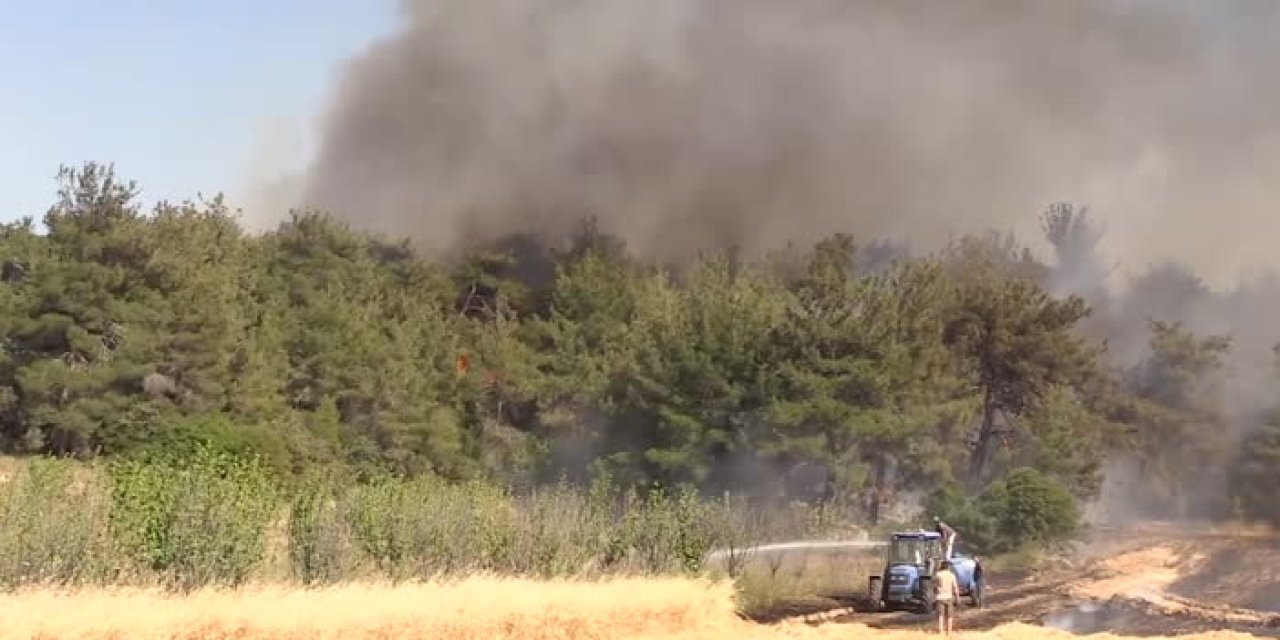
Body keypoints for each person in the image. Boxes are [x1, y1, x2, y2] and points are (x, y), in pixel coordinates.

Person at [934, 559, 961, 637]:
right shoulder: (952, 575)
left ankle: (941, 632)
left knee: (940, 616)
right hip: (949, 597)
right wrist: (958, 597)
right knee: (949, 616)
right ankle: (949, 632)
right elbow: (955, 587)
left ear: (941, 566)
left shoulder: (938, 574)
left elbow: (934, 586)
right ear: (948, 567)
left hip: (940, 597)